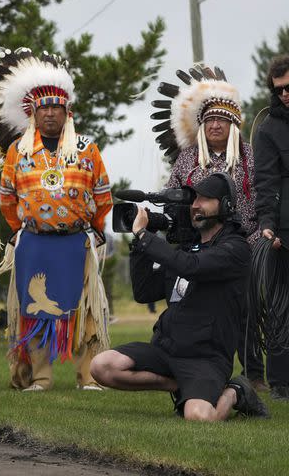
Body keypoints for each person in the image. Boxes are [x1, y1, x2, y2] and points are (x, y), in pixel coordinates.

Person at [0, 49, 112, 392]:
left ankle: (89, 376)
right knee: (33, 309)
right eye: (43, 108)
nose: (50, 113)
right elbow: (7, 199)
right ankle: (39, 377)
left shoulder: (87, 149)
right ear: (33, 112)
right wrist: (23, 229)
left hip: (77, 241)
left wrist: (96, 229)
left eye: (56, 107)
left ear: (68, 112)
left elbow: (102, 196)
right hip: (34, 241)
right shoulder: (18, 152)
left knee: (87, 310)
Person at [90, 173, 269, 421]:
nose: (196, 204)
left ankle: (236, 391)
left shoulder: (235, 249)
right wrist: (139, 243)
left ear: (226, 205)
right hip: (167, 351)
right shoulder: (187, 248)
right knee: (101, 366)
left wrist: (146, 236)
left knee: (199, 416)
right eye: (194, 198)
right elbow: (144, 292)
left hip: (206, 359)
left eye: (205, 199)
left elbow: (191, 266)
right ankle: (177, 386)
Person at [155, 64, 265, 390]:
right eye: (209, 120)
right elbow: (172, 197)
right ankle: (186, 367)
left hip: (240, 245)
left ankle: (255, 375)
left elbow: (264, 201)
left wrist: (256, 239)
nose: (215, 125)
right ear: (201, 126)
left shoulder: (251, 159)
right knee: (189, 305)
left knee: (245, 310)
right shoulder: (188, 159)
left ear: (234, 125)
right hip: (196, 246)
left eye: (222, 120)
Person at [253, 54, 289, 401]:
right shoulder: (268, 130)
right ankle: (281, 384)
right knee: (280, 307)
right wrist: (267, 225)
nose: (286, 94)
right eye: (279, 90)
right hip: (283, 233)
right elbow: (265, 183)